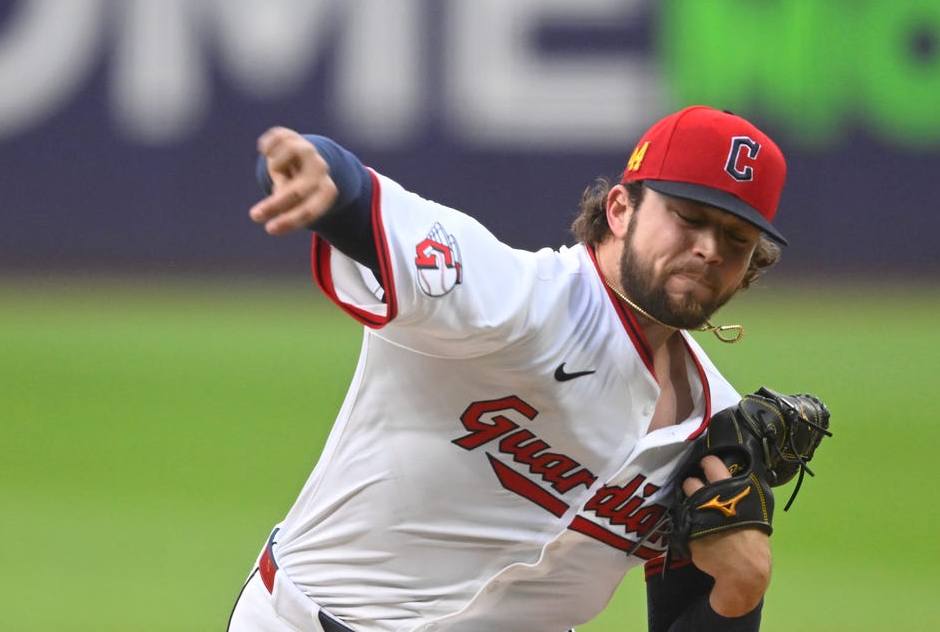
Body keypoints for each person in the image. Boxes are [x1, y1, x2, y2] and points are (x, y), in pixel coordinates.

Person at [228, 106, 790, 632]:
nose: (709, 249)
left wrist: (741, 590)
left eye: (736, 240)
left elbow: (691, 609)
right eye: (689, 218)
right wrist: (326, 178)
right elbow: (376, 208)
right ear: (620, 210)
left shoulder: (716, 424)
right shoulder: (518, 300)